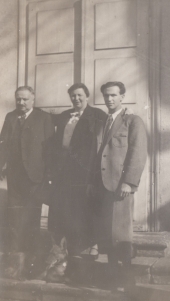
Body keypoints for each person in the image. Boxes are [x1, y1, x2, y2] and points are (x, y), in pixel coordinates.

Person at [87, 81, 147, 288]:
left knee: (121, 234)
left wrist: (129, 182)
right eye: (106, 96)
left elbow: (137, 154)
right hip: (101, 186)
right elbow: (98, 155)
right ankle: (112, 278)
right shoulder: (102, 122)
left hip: (120, 186)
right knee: (106, 233)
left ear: (122, 96)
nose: (109, 99)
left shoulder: (132, 121)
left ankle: (127, 282)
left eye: (113, 95)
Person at [48, 83, 107, 264]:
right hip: (65, 172)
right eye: (73, 96)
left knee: (86, 209)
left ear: (87, 96)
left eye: (80, 95)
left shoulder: (98, 115)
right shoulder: (65, 116)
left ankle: (90, 247)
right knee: (67, 210)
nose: (77, 99)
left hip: (86, 171)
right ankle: (69, 249)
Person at [0, 86, 55, 279]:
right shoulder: (10, 117)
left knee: (32, 220)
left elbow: (50, 149)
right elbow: (3, 144)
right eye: (18, 99)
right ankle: (16, 265)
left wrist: (48, 175)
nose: (21, 103)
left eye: (24, 99)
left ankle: (32, 264)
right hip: (15, 178)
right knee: (14, 220)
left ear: (33, 100)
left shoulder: (44, 118)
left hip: (35, 179)